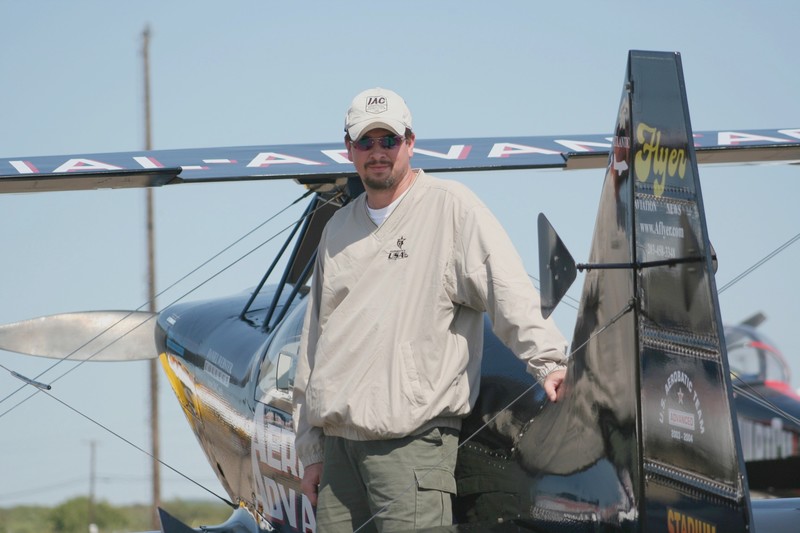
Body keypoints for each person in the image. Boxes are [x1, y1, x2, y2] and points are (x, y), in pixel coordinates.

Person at [292, 87, 568, 532]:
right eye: (365, 141)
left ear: (410, 142)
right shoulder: (338, 228)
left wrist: (549, 361)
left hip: (412, 447)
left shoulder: (451, 207)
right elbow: (314, 346)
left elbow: (508, 288)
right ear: (349, 149)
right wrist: (311, 452)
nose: (377, 152)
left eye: (389, 140)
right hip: (340, 455)